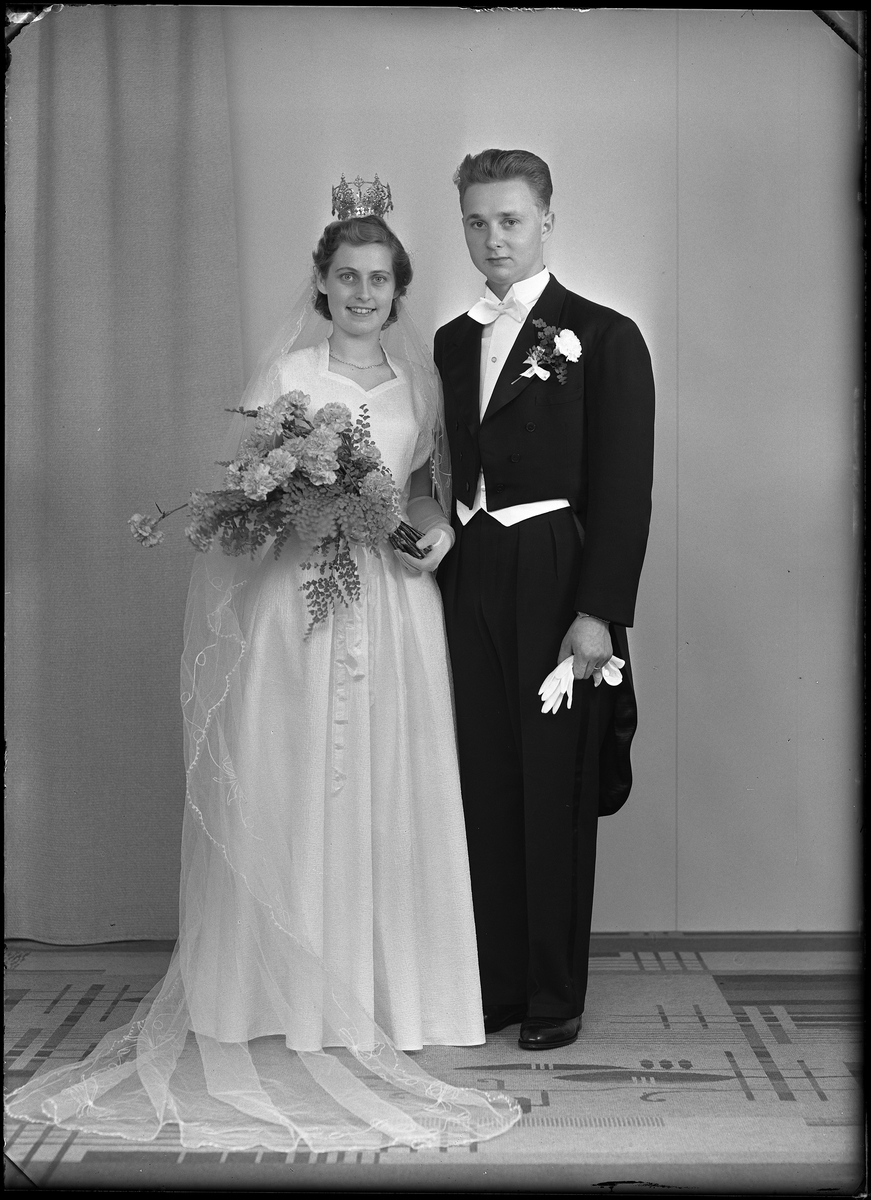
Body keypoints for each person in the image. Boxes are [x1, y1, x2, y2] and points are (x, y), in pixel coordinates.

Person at [6, 192, 521, 1150]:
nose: (362, 293)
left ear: (398, 290)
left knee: (388, 779)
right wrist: (303, 505)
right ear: (321, 284)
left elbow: (424, 487)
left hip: (392, 600)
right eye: (346, 276)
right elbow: (258, 486)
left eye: (379, 279)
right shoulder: (289, 374)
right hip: (302, 599)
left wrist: (434, 527)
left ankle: (394, 993)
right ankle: (274, 990)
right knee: (294, 774)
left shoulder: (422, 383)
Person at [434, 149, 655, 1052]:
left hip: (558, 572)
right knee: (484, 779)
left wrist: (598, 613)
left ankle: (554, 996)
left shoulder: (603, 335)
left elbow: (625, 490)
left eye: (510, 220)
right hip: (471, 568)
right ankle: (498, 985)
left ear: (546, 221)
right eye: (477, 222)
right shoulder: (451, 340)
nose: (493, 238)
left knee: (553, 785)